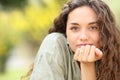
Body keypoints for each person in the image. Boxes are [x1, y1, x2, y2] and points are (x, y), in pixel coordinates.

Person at [22, 0, 120, 80]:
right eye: (75, 28)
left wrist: (87, 66)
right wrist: (87, 64)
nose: (83, 37)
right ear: (66, 32)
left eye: (93, 27)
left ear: (105, 32)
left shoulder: (113, 56)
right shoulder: (54, 44)